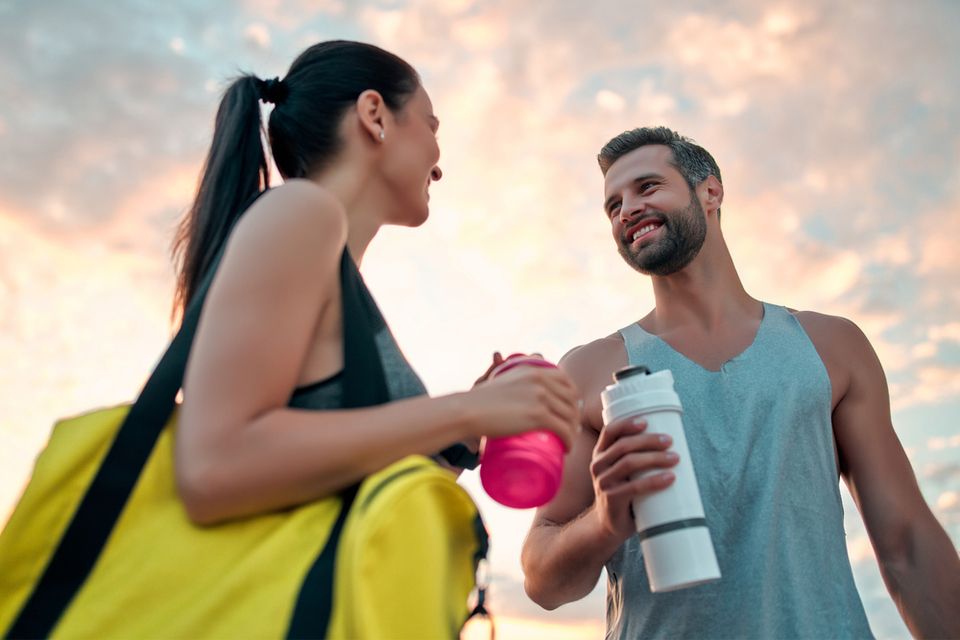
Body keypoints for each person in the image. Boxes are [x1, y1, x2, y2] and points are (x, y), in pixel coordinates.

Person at [521, 126, 960, 638]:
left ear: (710, 191)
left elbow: (906, 542)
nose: (626, 210)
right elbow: (543, 582)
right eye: (612, 205)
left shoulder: (833, 347)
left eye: (647, 187)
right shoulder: (589, 371)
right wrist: (604, 519)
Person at [170, 39, 579, 527]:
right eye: (431, 125)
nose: (439, 165)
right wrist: (467, 410)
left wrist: (462, 443)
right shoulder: (300, 212)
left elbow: (346, 493)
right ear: (374, 114)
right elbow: (216, 467)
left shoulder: (335, 272)